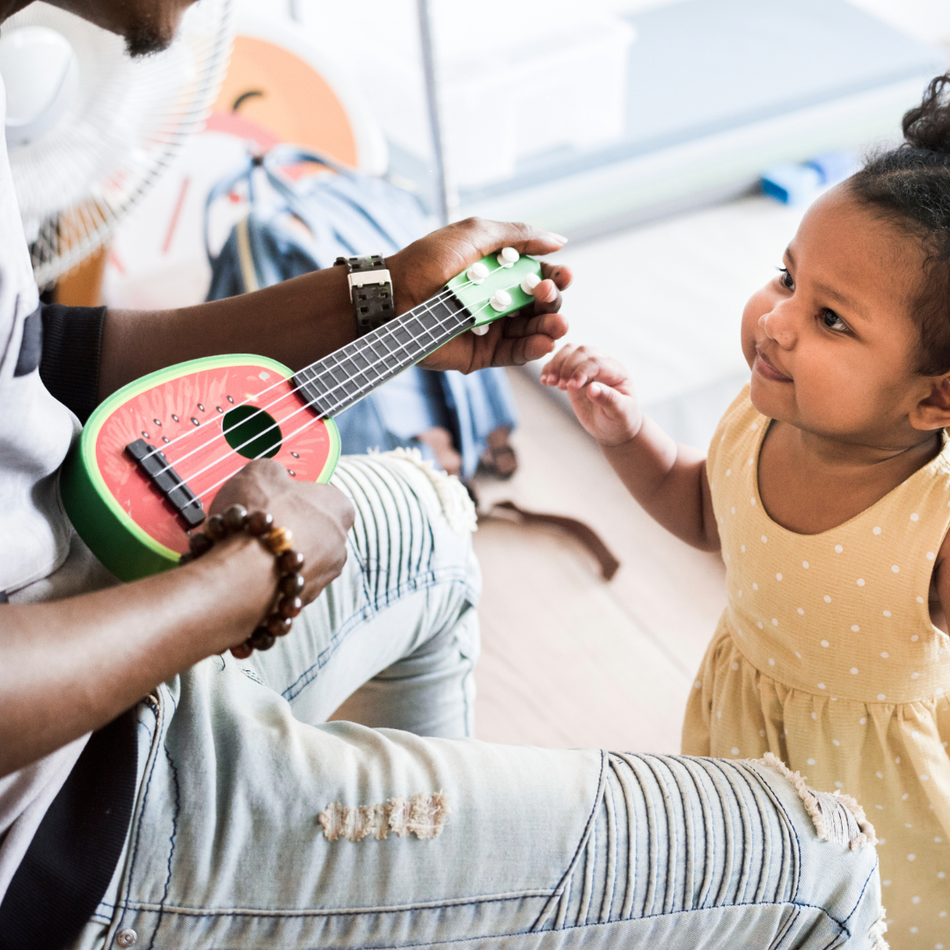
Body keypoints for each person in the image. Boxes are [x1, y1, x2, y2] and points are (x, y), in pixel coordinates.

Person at [0, 2, 887, 948]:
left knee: (430, 515)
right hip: (65, 835)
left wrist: (377, 298)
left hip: (95, 598)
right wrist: (243, 582)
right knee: (820, 867)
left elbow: (36, 350)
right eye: (790, 285)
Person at [541, 72, 950, 948]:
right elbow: (702, 510)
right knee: (739, 892)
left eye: (832, 319)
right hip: (745, 730)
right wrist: (630, 437)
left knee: (871, 928)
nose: (777, 322)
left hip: (879, 794)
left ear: (934, 401)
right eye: (786, 278)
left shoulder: (934, 529)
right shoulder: (759, 411)